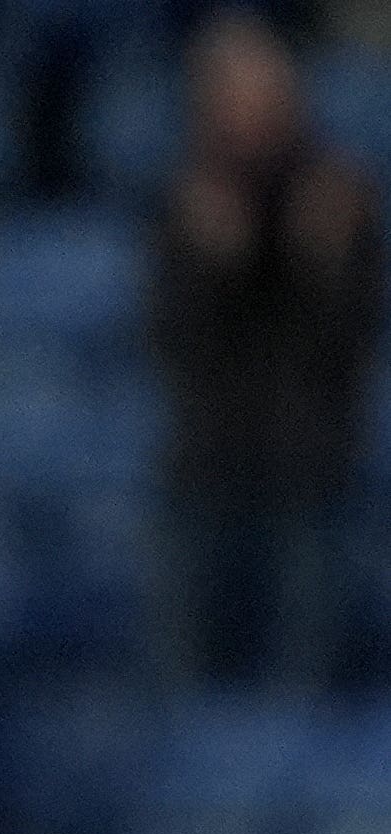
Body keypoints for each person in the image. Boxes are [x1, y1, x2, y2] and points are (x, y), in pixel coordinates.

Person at [150, 9, 381, 689]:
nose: (251, 109)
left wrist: (326, 259)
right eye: (234, 92)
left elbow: (352, 341)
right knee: (180, 683)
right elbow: (169, 345)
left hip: (310, 467)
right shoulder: (186, 202)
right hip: (204, 464)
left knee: (301, 683)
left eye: (264, 91)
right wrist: (209, 262)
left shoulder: (337, 196)